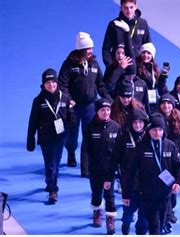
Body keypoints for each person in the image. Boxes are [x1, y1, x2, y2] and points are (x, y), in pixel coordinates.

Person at [58, 32, 112, 176]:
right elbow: (62, 85)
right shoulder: (69, 64)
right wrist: (69, 99)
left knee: (89, 135)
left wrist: (108, 99)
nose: (91, 51)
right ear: (81, 49)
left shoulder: (94, 63)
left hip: (90, 106)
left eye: (91, 48)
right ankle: (70, 152)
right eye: (88, 49)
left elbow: (100, 84)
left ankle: (87, 166)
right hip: (73, 106)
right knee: (72, 134)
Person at [122, 113, 180, 235]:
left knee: (160, 226)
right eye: (154, 130)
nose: (157, 133)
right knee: (154, 227)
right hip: (147, 194)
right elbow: (130, 171)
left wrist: (178, 182)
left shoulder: (169, 146)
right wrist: (126, 194)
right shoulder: (141, 147)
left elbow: (179, 167)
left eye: (160, 130)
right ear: (149, 131)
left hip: (166, 194)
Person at [26, 68, 76, 204]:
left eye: (53, 82)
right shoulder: (38, 101)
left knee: (56, 162)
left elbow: (71, 116)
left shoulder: (65, 97)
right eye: (48, 83)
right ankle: (53, 191)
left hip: (60, 137)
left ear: (57, 82)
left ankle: (51, 181)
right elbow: (32, 121)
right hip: (45, 137)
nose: (51, 85)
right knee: (50, 164)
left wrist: (72, 121)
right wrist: (30, 138)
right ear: (43, 85)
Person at [83, 98, 121, 234]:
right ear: (97, 112)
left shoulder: (116, 127)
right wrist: (86, 168)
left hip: (110, 170)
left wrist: (117, 169)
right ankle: (97, 212)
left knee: (110, 195)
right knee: (96, 194)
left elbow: (119, 151)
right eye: (102, 110)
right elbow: (86, 148)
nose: (106, 113)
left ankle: (110, 219)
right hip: (95, 169)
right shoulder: (89, 127)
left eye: (108, 110)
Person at [156, 94, 180, 232]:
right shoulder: (155, 120)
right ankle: (168, 214)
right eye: (163, 103)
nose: (166, 106)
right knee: (166, 189)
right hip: (160, 162)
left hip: (175, 162)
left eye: (168, 104)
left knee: (173, 190)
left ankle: (170, 210)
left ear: (173, 105)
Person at [112, 108, 148, 235]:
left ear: (144, 123)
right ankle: (125, 225)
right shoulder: (123, 138)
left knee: (144, 214)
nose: (138, 125)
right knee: (128, 210)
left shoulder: (148, 137)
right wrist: (115, 174)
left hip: (146, 182)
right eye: (135, 122)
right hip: (129, 182)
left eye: (140, 122)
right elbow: (116, 157)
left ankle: (141, 232)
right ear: (130, 123)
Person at [102, 0, 151, 68]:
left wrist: (145, 67)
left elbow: (148, 46)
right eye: (125, 8)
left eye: (131, 7)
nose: (129, 10)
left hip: (138, 67)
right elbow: (106, 49)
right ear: (121, 8)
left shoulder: (143, 23)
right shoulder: (114, 24)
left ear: (136, 7)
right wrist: (110, 67)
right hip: (118, 67)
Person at [136, 42, 170, 112]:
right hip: (140, 101)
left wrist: (163, 75)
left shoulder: (154, 69)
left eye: (148, 53)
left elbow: (161, 86)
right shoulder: (136, 67)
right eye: (144, 52)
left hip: (152, 102)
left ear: (152, 55)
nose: (146, 55)